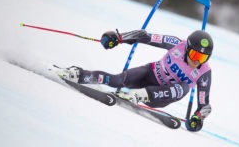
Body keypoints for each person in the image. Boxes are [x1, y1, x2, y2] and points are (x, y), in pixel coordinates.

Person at [57, 29, 213, 132]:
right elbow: (146, 36)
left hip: (160, 96)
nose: (197, 61)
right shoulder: (176, 44)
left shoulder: (204, 72)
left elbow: (204, 104)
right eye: (195, 55)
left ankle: (139, 95)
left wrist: (197, 118)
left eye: (203, 57)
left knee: (184, 87)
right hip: (149, 74)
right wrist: (119, 38)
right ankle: (80, 75)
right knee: (118, 80)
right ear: (187, 48)